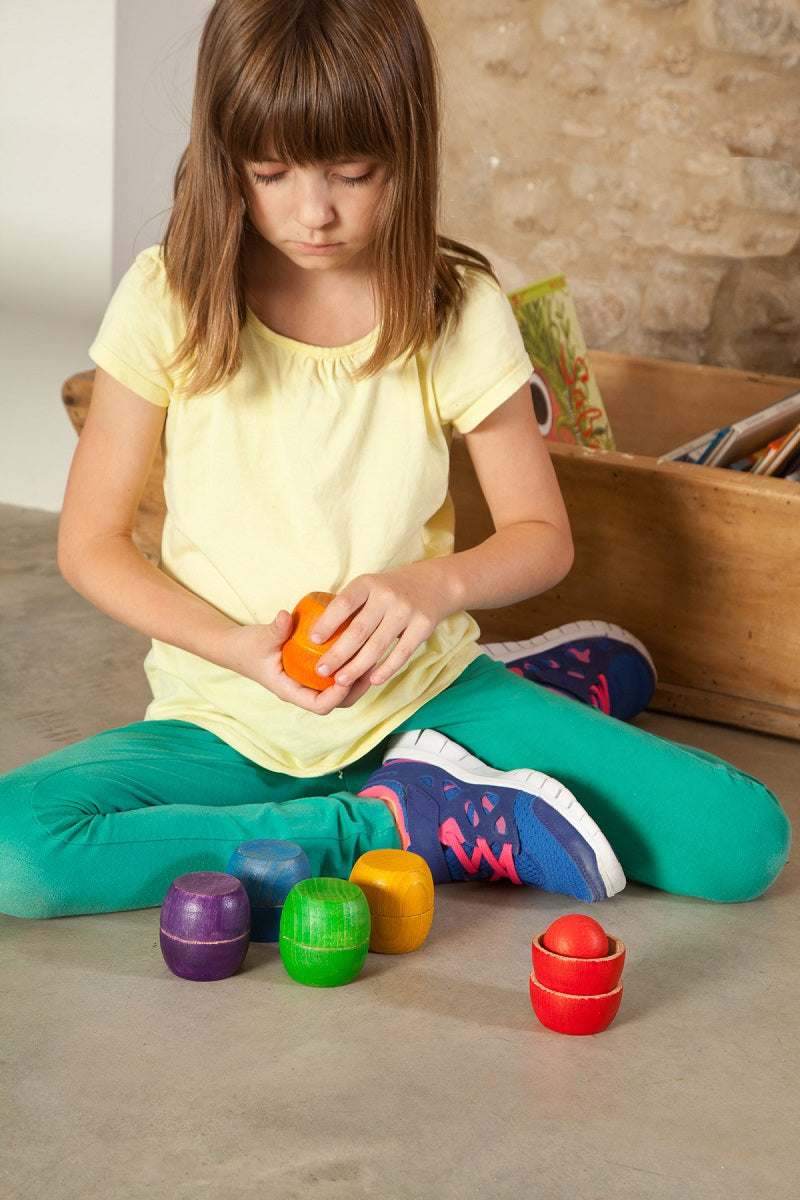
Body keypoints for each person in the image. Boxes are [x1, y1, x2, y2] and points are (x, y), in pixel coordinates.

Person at [0, 0, 789, 919]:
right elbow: (90, 541)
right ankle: (394, 824)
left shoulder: (456, 304)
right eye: (271, 171)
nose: (315, 211)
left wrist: (433, 590)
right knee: (21, 848)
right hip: (224, 718)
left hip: (427, 695)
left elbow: (541, 537)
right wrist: (233, 650)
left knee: (742, 842)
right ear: (226, 159)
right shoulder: (165, 297)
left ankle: (501, 703)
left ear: (407, 151)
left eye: (353, 171)